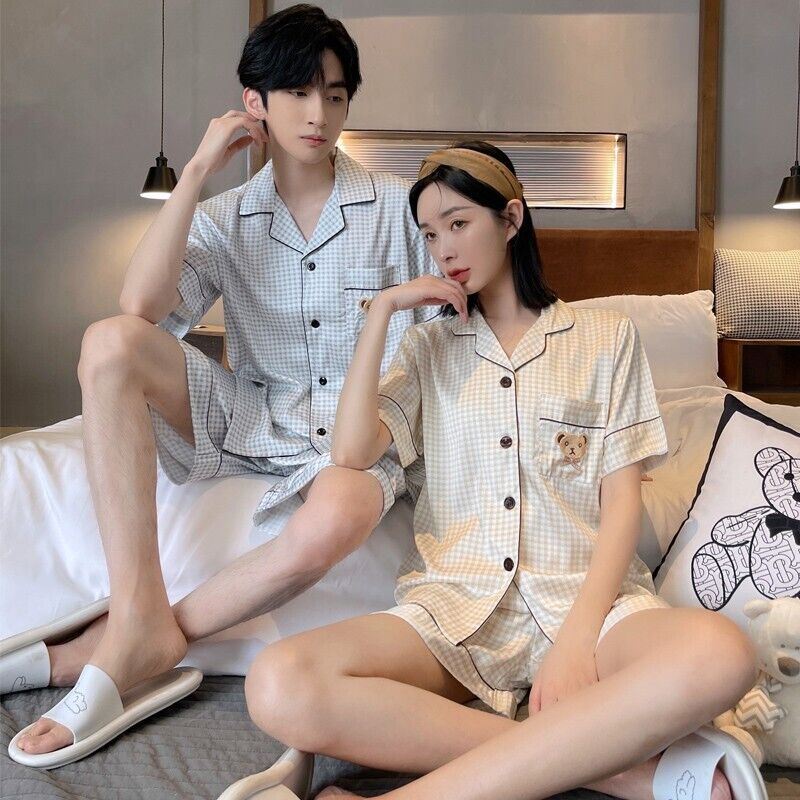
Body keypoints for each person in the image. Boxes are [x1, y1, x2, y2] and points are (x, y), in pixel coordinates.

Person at [243, 142, 760, 800]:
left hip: (588, 605)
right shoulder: (427, 347)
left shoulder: (605, 339)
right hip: (454, 611)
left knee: (723, 653)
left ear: (511, 218)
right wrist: (382, 314)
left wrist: (576, 642)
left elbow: (623, 504)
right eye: (430, 234)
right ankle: (619, 772)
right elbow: (349, 453)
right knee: (278, 682)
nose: (444, 249)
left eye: (459, 223)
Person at [11, 4, 435, 759]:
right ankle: (135, 607)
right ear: (255, 103)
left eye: (335, 95)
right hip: (254, 414)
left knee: (338, 512)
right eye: (298, 93)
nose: (319, 113)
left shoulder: (402, 209)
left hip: (355, 436)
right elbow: (140, 308)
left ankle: (132, 643)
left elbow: (448, 338)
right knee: (109, 344)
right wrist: (198, 172)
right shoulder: (226, 215)